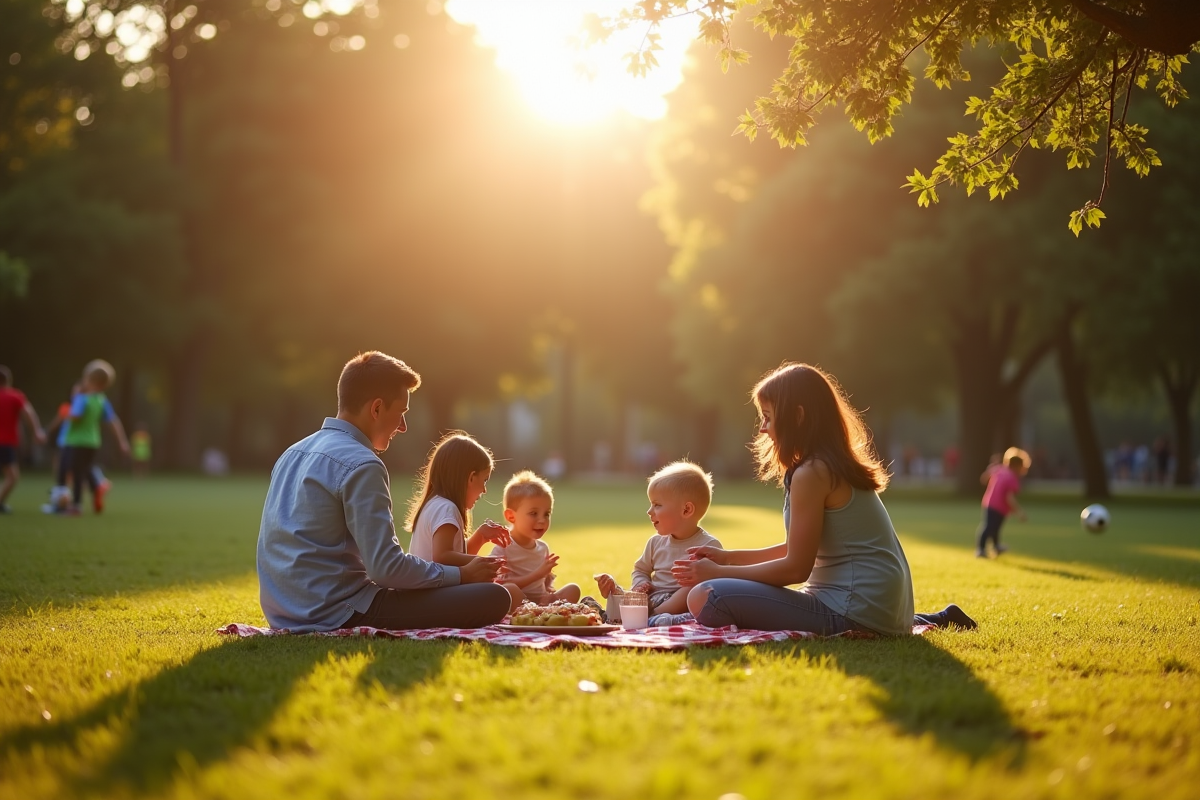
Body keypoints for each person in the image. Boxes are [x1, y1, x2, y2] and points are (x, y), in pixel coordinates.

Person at [672, 363, 975, 635]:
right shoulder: (828, 464)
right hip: (874, 608)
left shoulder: (813, 472)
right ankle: (933, 618)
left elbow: (795, 569)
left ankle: (910, 621)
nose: (763, 428)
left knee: (706, 595)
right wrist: (728, 557)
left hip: (852, 610)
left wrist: (719, 573)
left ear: (798, 416)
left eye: (767, 417)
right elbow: (800, 548)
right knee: (710, 591)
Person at [256, 351, 509, 632]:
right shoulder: (361, 463)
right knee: (495, 597)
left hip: (283, 611)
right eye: (401, 413)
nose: (403, 427)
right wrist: (461, 575)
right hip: (338, 611)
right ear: (376, 409)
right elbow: (386, 569)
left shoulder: (292, 452)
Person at [594, 460, 722, 627]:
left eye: (657, 505)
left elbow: (711, 586)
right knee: (618, 598)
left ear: (686, 510)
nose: (649, 511)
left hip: (681, 604)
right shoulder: (655, 543)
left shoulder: (709, 546)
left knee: (694, 587)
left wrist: (657, 609)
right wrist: (640, 584)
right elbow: (641, 569)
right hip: (652, 599)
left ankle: (653, 617)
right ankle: (612, 607)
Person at [405, 432, 513, 576]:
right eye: (485, 480)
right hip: (431, 595)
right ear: (471, 477)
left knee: (503, 590)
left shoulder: (434, 504)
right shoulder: (447, 508)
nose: (484, 490)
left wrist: (481, 536)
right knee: (505, 591)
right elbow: (442, 557)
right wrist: (485, 562)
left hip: (430, 591)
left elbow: (455, 557)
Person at [488, 470, 581, 612]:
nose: (542, 520)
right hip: (519, 601)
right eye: (533, 513)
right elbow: (498, 585)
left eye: (547, 514)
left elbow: (543, 583)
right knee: (509, 590)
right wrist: (537, 574)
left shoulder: (543, 547)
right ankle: (534, 613)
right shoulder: (503, 546)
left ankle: (544, 612)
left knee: (573, 589)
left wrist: (547, 583)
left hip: (541, 601)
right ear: (511, 516)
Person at [61, 360, 129, 515]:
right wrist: (122, 442)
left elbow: (76, 416)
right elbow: (113, 422)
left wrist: (66, 413)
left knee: (77, 472)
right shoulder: (102, 400)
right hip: (93, 441)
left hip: (77, 440)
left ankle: (76, 505)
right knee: (85, 468)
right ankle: (97, 485)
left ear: (89, 380)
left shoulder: (82, 398)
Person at [0, 366, 47, 513]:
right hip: (5, 442)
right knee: (12, 477)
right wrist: (37, 432)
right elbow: (29, 413)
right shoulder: (15, 396)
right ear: (8, 381)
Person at [976, 447, 1030, 558]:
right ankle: (981, 549)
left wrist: (991, 468)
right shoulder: (1011, 478)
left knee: (994, 527)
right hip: (997, 506)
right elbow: (1009, 497)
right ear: (1017, 466)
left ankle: (995, 546)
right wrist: (1019, 512)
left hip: (990, 503)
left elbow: (984, 478)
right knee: (990, 527)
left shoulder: (1000, 469)